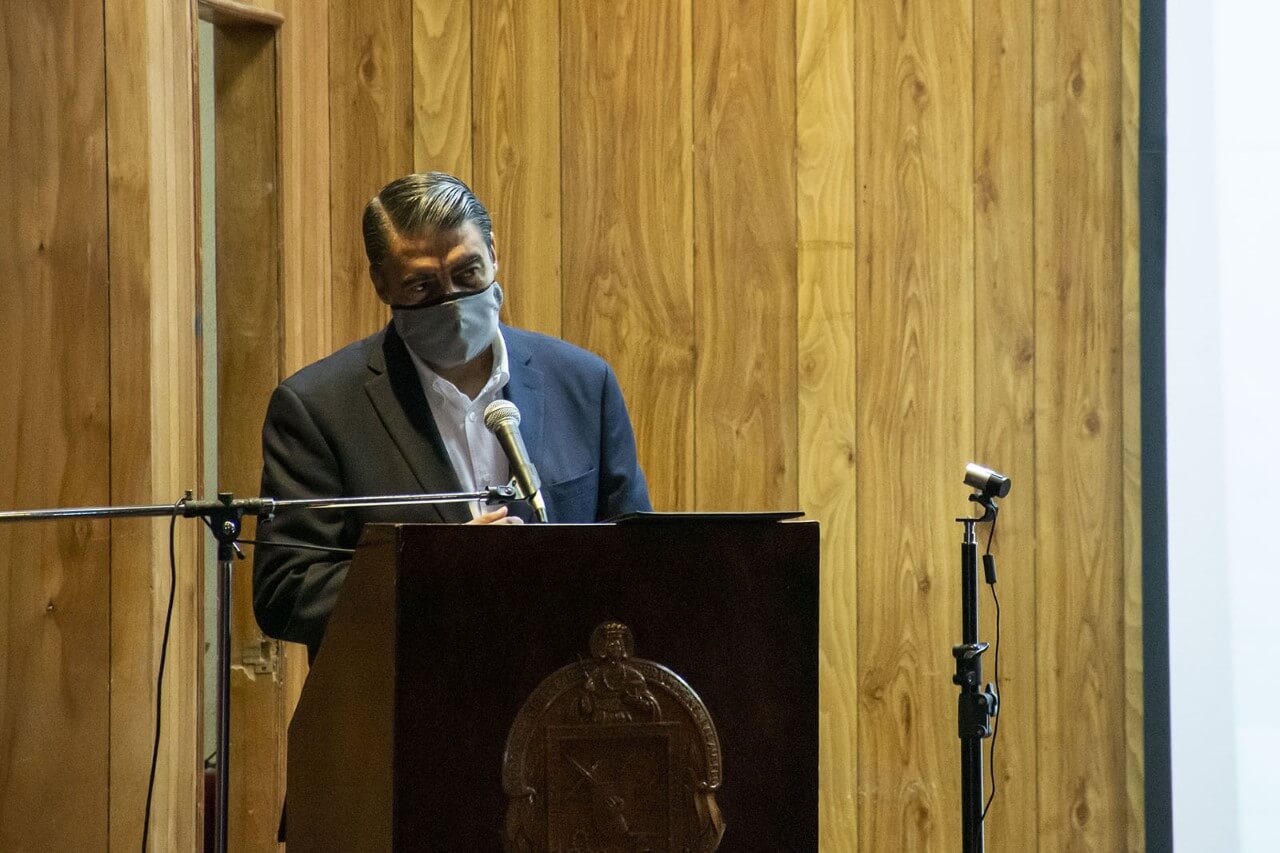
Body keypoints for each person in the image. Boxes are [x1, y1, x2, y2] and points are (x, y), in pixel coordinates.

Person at [252, 173, 652, 660]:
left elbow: (638, 558)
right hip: (406, 711)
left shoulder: (585, 384)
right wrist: (438, 572)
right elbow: (286, 591)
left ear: (493, 251)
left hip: (564, 701)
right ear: (381, 283)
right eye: (422, 286)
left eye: (468, 274)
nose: (454, 302)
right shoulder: (318, 408)